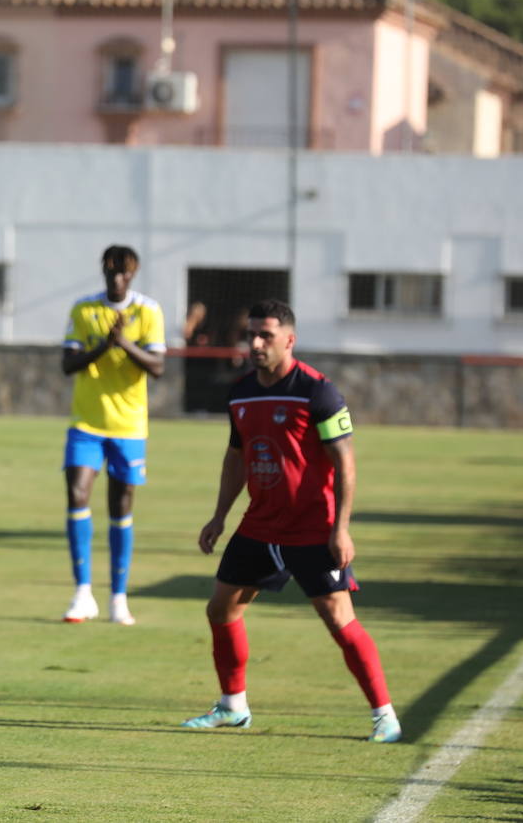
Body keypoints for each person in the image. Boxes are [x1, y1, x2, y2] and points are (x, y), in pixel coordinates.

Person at [183, 300, 401, 743]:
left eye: (266, 335)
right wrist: (219, 515)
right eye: (252, 335)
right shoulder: (241, 392)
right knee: (221, 608)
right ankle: (233, 705)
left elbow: (346, 464)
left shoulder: (319, 392)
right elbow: (237, 457)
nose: (256, 343)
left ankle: (385, 716)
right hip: (259, 526)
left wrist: (340, 528)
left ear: (289, 340)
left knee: (337, 617)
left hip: (311, 528)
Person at [60, 245, 166, 624]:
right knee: (77, 493)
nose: (116, 278)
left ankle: (119, 597)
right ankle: (82, 592)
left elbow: (157, 366)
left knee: (121, 507)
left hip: (129, 426)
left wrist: (123, 343)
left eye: (123, 273)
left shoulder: (148, 311)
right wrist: (103, 344)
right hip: (86, 423)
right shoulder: (84, 309)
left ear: (132, 275)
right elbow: (67, 364)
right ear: (103, 272)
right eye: (110, 272)